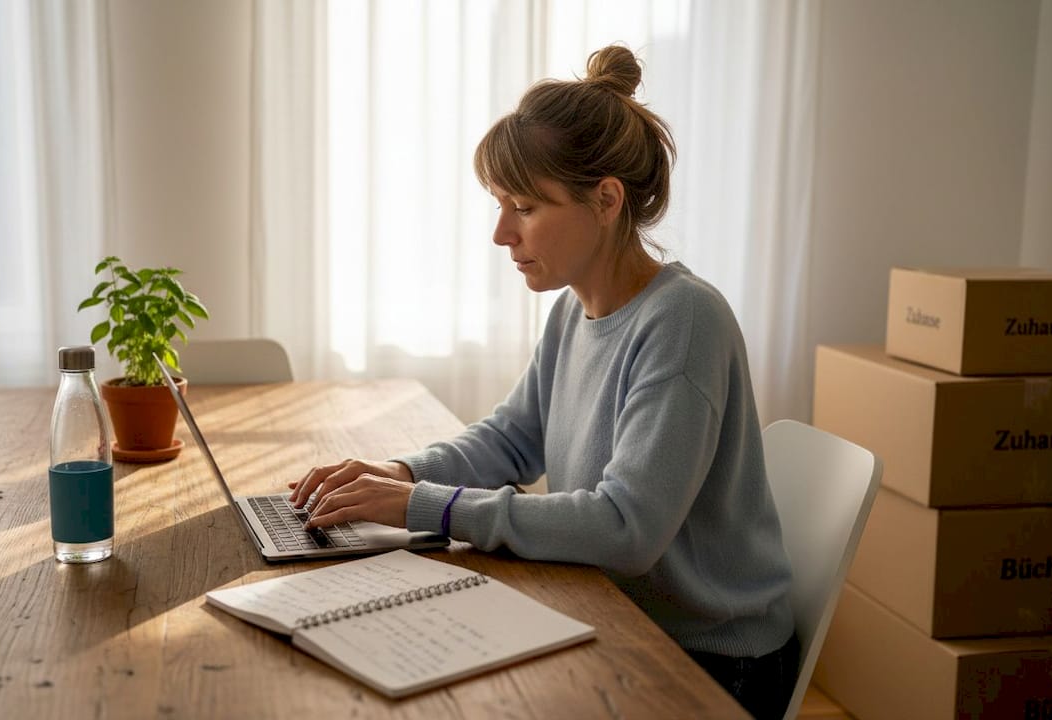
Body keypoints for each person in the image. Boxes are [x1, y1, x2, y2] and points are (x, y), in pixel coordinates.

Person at [289, 44, 797, 719]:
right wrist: (395, 474)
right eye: (501, 205)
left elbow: (626, 528)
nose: (502, 233)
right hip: (615, 614)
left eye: (524, 207)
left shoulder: (683, 322)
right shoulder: (573, 309)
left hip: (706, 662)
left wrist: (422, 505)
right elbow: (511, 441)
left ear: (607, 200)